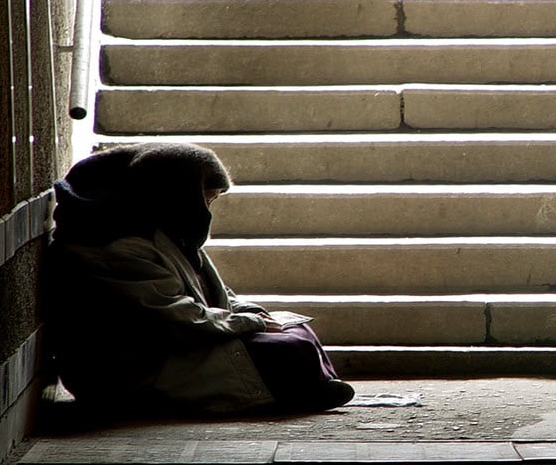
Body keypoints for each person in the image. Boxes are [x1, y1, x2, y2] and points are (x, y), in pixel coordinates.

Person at [46, 142, 355, 415]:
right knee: (289, 351)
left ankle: (312, 386)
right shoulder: (116, 248)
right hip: (139, 366)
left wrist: (249, 311)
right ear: (178, 197)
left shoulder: (163, 231)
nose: (206, 211)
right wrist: (253, 323)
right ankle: (303, 391)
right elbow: (179, 319)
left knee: (297, 331)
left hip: (180, 344)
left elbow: (211, 292)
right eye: (204, 201)